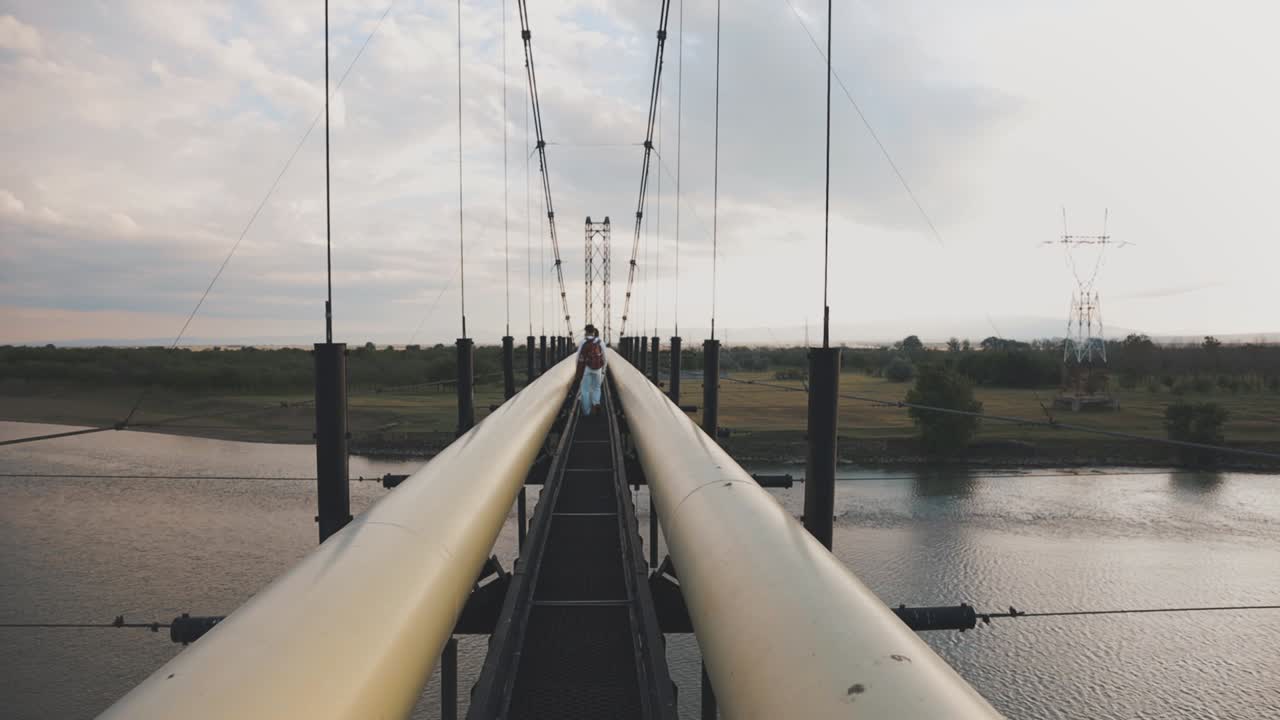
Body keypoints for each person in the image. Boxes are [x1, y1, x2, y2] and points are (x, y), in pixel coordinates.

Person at [574, 324, 607, 416]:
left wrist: (578, 370)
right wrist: (603, 370)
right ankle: (596, 403)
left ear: (586, 331)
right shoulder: (600, 342)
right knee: (597, 388)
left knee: (585, 390)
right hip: (598, 369)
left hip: (586, 368)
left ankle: (586, 412)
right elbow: (605, 358)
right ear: (593, 332)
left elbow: (577, 357)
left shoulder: (583, 342)